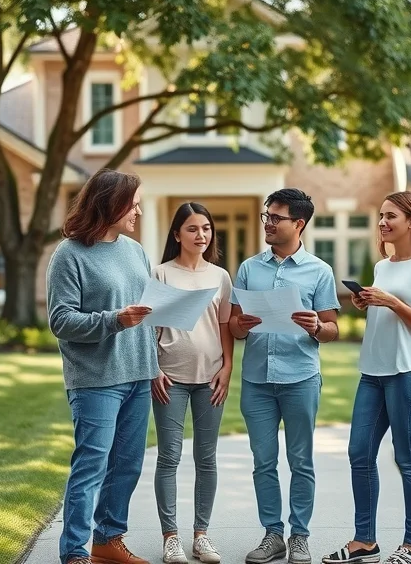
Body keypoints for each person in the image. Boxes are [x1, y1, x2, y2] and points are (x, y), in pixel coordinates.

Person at [322, 191, 411, 564]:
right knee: (359, 453)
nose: (382, 222)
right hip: (373, 371)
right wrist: (367, 302)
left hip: (408, 371)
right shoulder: (383, 266)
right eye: (380, 216)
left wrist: (394, 302)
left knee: (407, 457)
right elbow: (387, 317)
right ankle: (365, 542)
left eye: (390, 216)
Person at [46, 168, 158, 564]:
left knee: (126, 467)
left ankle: (108, 541)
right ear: (111, 203)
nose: (138, 212)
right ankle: (75, 552)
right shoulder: (70, 254)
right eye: (134, 204)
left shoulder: (135, 251)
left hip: (139, 376)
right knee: (91, 468)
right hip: (96, 380)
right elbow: (61, 321)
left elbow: (145, 312)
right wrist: (114, 320)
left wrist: (155, 363)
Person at [228, 188, 341, 564]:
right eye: (267, 217)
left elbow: (332, 329)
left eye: (276, 218)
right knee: (263, 461)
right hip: (257, 381)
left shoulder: (320, 271)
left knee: (301, 461)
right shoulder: (248, 269)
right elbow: (233, 325)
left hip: (300, 378)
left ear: (299, 223)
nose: (268, 224)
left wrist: (315, 327)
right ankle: (273, 535)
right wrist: (240, 324)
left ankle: (300, 537)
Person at [150, 202, 235, 564]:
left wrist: (228, 366)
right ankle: (171, 538)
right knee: (169, 457)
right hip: (170, 378)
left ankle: (201, 536)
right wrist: (153, 367)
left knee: (207, 458)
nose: (201, 235)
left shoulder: (220, 277)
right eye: (192, 229)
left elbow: (225, 326)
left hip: (210, 379)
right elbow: (147, 328)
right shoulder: (161, 274)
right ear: (176, 235)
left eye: (206, 229)